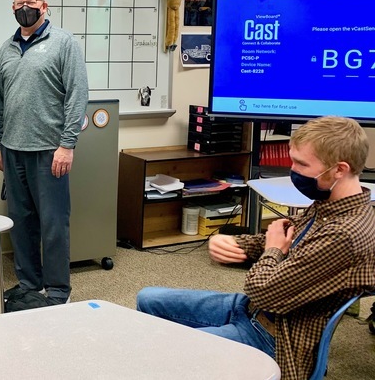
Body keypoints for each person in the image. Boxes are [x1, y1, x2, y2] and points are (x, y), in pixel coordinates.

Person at [137, 116, 375, 380]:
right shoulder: (330, 204)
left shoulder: (344, 235)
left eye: (301, 164)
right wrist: (233, 243)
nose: (292, 170)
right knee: (148, 298)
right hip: (251, 311)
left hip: (275, 338)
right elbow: (282, 237)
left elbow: (263, 291)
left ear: (339, 169)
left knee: (164, 353)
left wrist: (273, 250)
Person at [0, 0, 89, 307]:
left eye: (31, 2)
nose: (25, 7)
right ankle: (29, 284)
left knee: (53, 223)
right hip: (12, 149)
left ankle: (58, 289)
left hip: (50, 151)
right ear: (12, 8)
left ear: (44, 7)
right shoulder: (6, 48)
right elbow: (1, 101)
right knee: (21, 222)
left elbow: (78, 95)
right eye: (19, 3)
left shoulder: (64, 43)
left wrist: (67, 144)